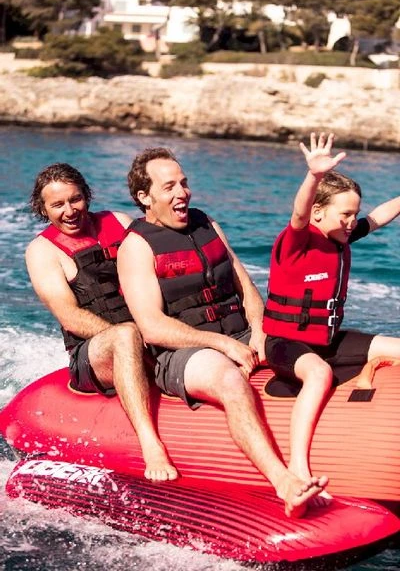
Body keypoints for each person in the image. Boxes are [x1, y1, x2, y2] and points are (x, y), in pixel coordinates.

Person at [117, 146, 328, 519]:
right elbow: (151, 326)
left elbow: (244, 284)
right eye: (169, 187)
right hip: (184, 353)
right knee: (230, 381)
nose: (182, 193)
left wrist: (259, 329)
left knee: (312, 357)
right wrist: (222, 344)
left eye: (184, 183)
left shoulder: (206, 223)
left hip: (241, 333)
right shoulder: (136, 247)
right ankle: (285, 484)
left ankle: (305, 458)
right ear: (145, 197)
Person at [263, 132, 400, 503]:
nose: (353, 221)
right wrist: (314, 176)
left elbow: (379, 217)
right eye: (346, 215)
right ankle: (297, 467)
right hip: (286, 344)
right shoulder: (298, 242)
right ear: (319, 213)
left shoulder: (342, 237)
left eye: (354, 214)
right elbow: (298, 213)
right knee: (319, 374)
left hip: (327, 341)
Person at [25, 162, 178, 482]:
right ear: (43, 209)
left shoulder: (119, 222)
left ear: (87, 196)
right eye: (57, 204)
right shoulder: (42, 252)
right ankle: (150, 443)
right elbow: (69, 316)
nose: (69, 210)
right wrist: (136, 337)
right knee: (125, 337)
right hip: (93, 352)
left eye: (75, 199)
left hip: (149, 332)